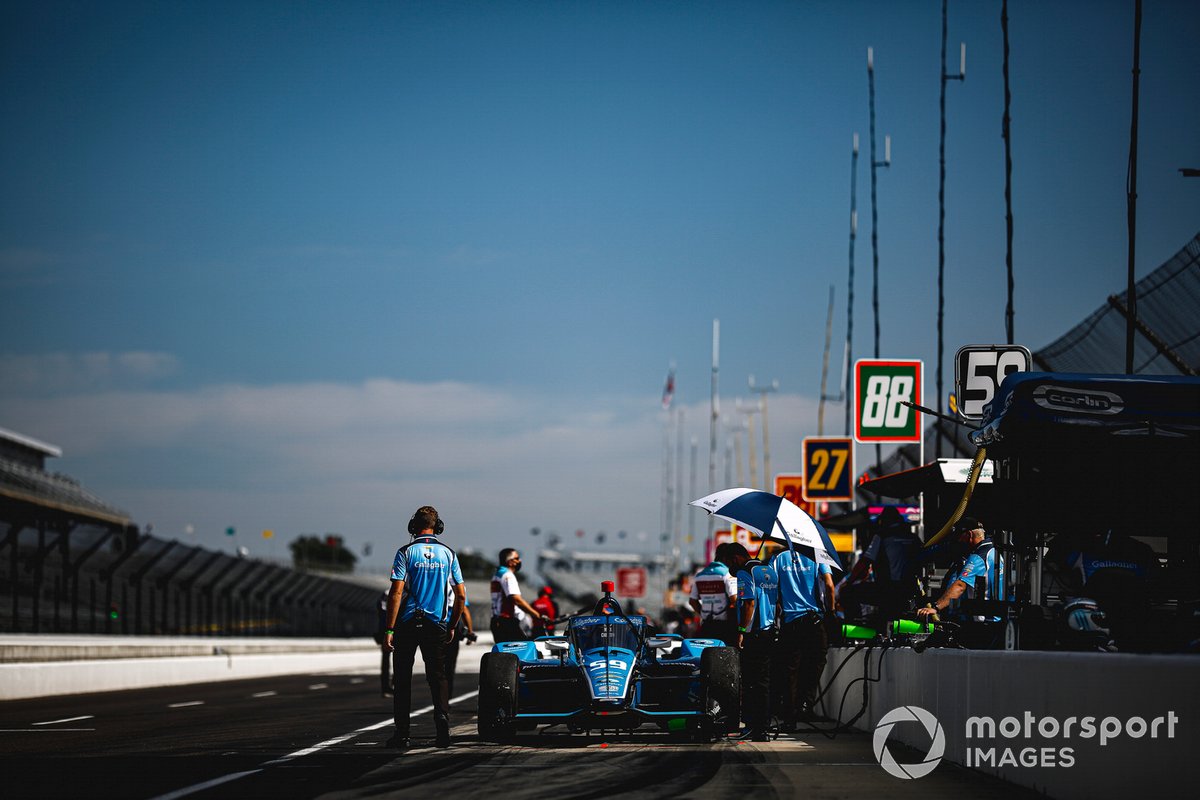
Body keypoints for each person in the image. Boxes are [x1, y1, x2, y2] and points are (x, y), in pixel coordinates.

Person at [383, 506, 465, 750]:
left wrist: (389, 629)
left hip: (407, 623)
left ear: (413, 527)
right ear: (437, 526)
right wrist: (452, 624)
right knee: (438, 677)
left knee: (403, 679)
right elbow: (460, 596)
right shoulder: (449, 554)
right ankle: (442, 725)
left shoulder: (405, 552)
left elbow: (396, 592)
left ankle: (402, 733)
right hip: (436, 624)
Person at [770, 542, 837, 730]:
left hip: (789, 621)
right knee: (816, 663)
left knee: (789, 671)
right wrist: (831, 613)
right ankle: (806, 707)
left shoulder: (777, 559)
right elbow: (829, 586)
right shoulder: (818, 556)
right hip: (814, 620)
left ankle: (790, 718)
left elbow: (771, 590)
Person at [916, 516, 1005, 647]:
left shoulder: (978, 556)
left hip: (982, 628)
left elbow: (960, 586)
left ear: (969, 535)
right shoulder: (995, 552)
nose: (957, 541)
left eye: (959, 537)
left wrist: (935, 608)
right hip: (998, 624)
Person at [729, 542, 779, 741]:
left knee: (750, 682)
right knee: (764, 682)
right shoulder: (769, 570)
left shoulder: (744, 572)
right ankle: (762, 728)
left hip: (754, 633)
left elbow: (749, 602)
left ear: (734, 558)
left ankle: (752, 726)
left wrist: (741, 631)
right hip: (770, 631)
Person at [838, 507, 922, 624]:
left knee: (848, 592)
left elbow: (864, 563)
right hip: (909, 590)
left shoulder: (881, 536)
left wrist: (849, 582)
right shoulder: (914, 538)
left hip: (887, 589)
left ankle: (856, 626)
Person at [490, 548, 548, 642]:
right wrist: (536, 614)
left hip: (496, 621)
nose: (519, 561)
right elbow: (516, 599)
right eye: (516, 558)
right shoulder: (508, 575)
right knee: (524, 649)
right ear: (510, 562)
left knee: (505, 654)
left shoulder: (497, 574)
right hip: (506, 621)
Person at [688, 543, 739, 646]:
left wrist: (703, 613)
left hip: (706, 624)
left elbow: (692, 601)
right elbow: (734, 600)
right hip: (724, 626)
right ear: (726, 558)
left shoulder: (700, 575)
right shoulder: (728, 574)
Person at [444, 581, 477, 697]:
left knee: (435, 666)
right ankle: (445, 700)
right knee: (449, 666)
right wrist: (470, 632)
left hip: (434, 627)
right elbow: (464, 610)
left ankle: (438, 696)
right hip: (451, 629)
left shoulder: (432, 580)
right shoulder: (458, 585)